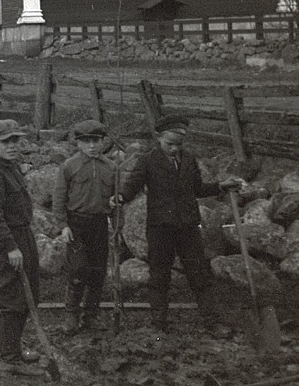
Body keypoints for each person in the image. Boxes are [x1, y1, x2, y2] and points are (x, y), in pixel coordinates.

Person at [117, 115, 244, 332]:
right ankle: (159, 324)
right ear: (158, 138)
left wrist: (221, 186)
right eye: (170, 144)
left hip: (188, 227)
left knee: (199, 273)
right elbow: (131, 187)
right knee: (159, 275)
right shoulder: (147, 161)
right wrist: (119, 197)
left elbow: (197, 189)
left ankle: (212, 321)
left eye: (179, 144)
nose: (175, 149)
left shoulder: (189, 160)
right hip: (160, 228)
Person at [0, 119, 43, 377]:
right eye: (6, 142)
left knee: (27, 294)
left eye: (16, 140)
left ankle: (12, 346)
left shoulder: (10, 167)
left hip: (22, 236)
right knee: (9, 294)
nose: (13, 146)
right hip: (9, 240)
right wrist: (10, 247)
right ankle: (9, 358)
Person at [52, 119, 117, 334]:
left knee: (98, 272)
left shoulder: (111, 167)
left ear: (103, 142)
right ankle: (71, 315)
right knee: (78, 269)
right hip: (76, 224)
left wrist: (117, 223)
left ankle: (91, 316)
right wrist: (63, 225)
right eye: (87, 141)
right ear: (78, 143)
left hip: (99, 224)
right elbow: (59, 198)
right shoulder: (69, 166)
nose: (92, 146)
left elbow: (116, 200)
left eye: (96, 141)